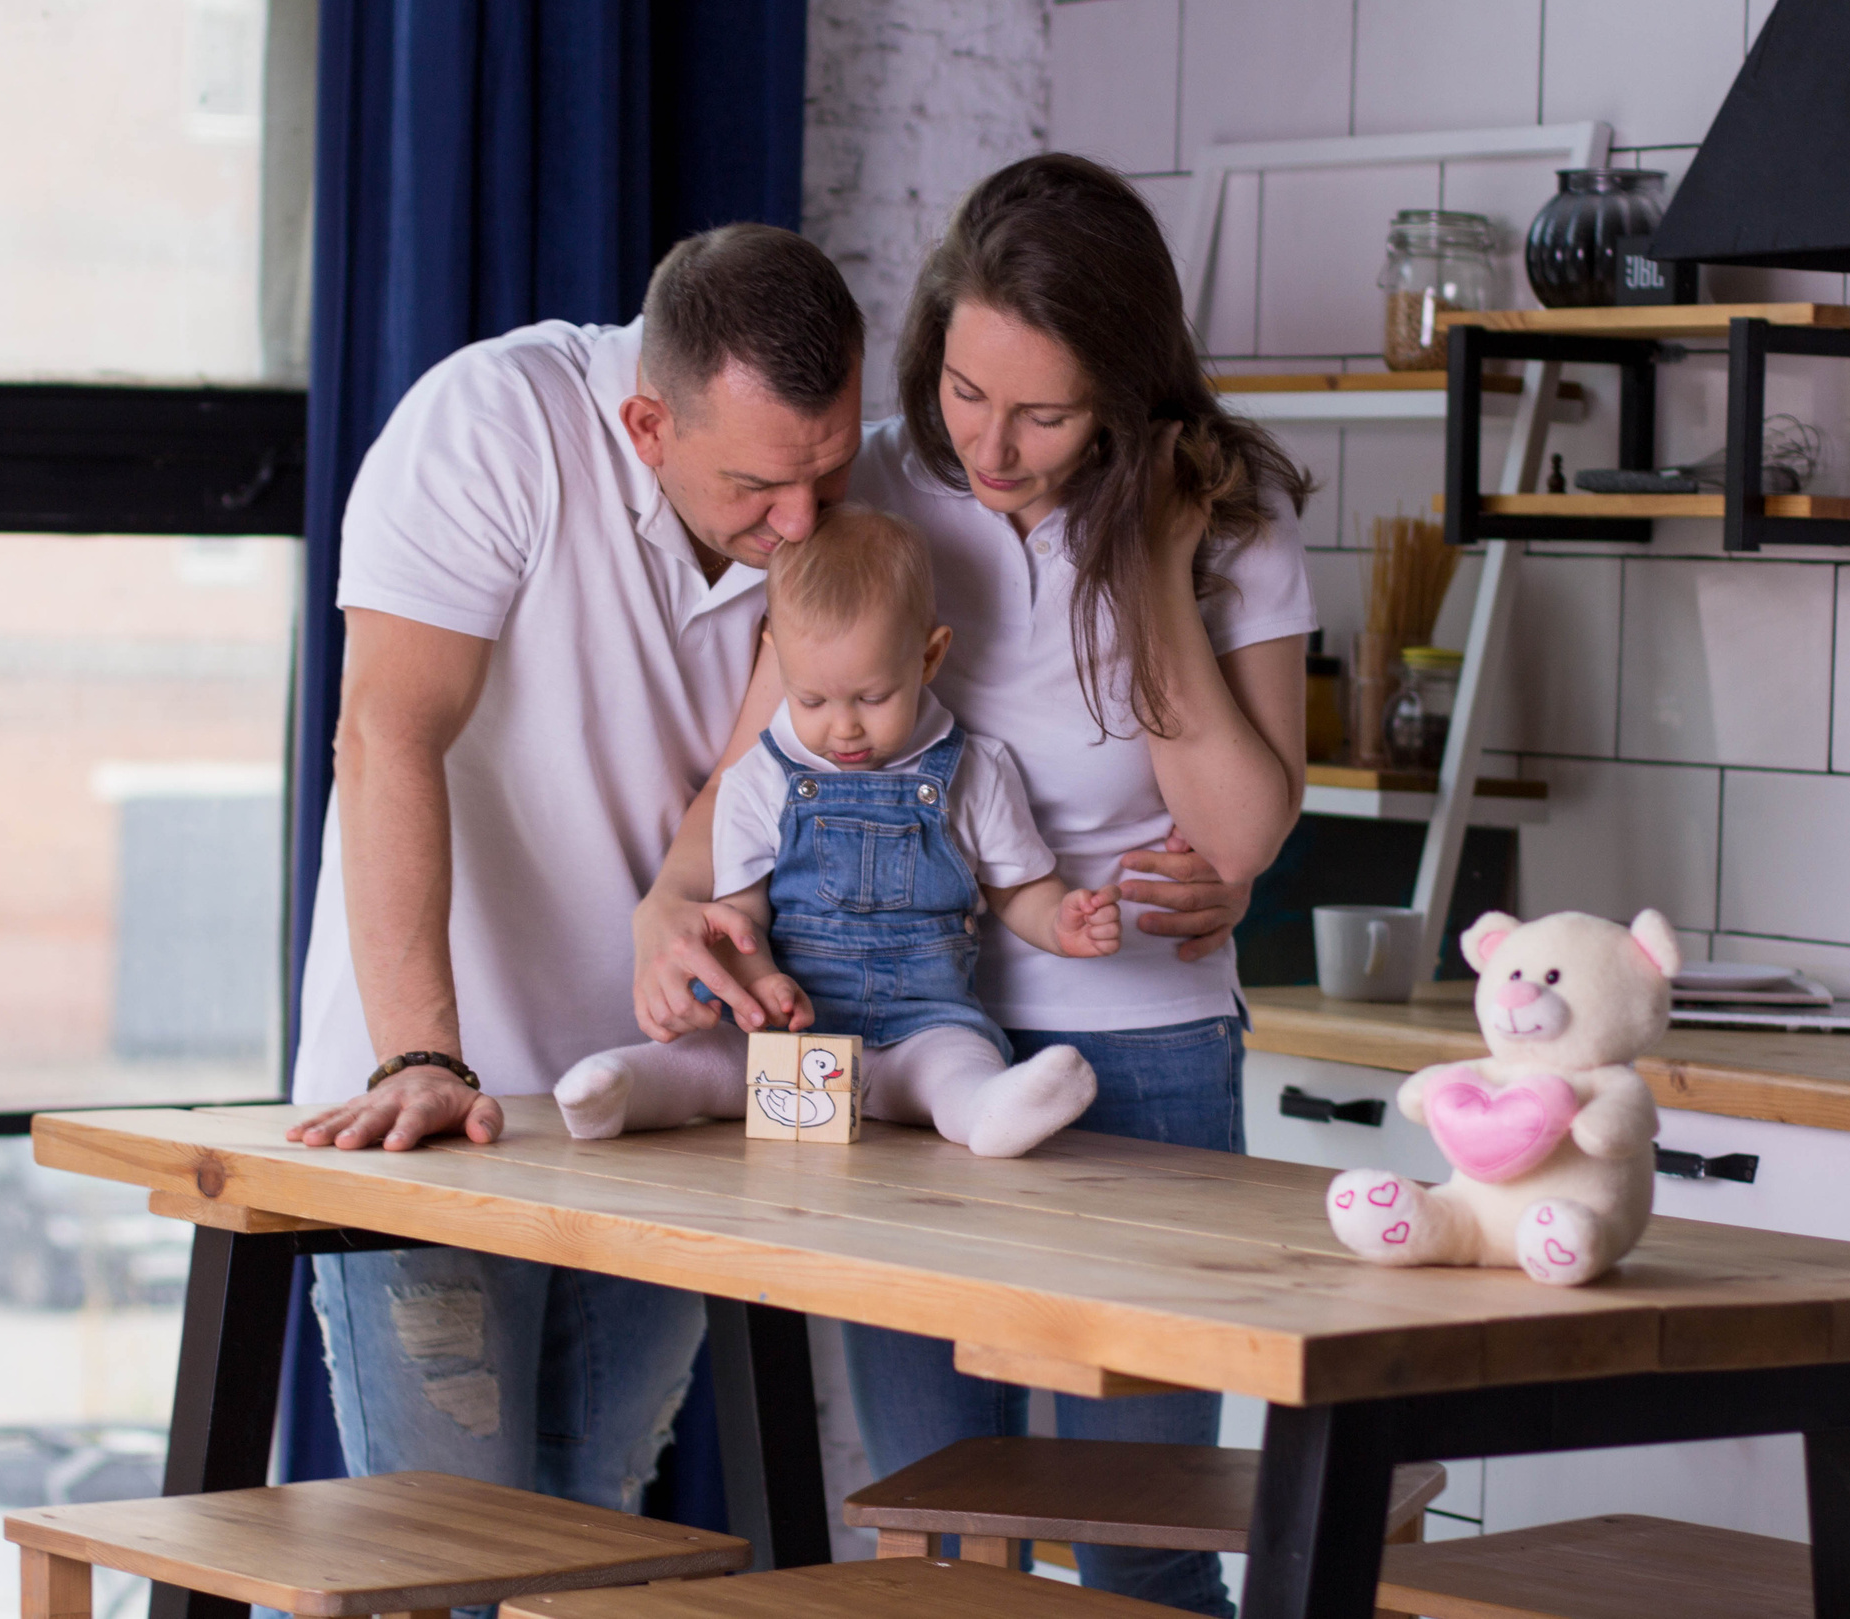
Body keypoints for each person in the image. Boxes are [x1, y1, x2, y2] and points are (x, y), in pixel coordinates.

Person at [635, 154, 1314, 1616]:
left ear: (1127, 393)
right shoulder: (873, 482)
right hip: (896, 1060)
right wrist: (677, 897)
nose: (991, 447)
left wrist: (1152, 565)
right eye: (963, 390)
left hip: (1143, 1053)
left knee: (1139, 1538)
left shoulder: (1228, 516)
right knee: (937, 1529)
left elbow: (1245, 827)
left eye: (1046, 411)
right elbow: (769, 747)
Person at [280, 224, 864, 1518]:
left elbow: (752, 775)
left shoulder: (808, 501)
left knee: (593, 1520)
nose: (804, 519)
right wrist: (419, 1055)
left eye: (830, 468)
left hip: (652, 1107)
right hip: (437, 1099)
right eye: (763, 487)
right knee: (439, 1541)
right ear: (648, 424)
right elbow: (385, 735)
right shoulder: (492, 427)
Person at [551, 504, 1114, 1157]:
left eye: (873, 698)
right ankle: (619, 1090)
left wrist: (1060, 921)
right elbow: (739, 913)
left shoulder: (974, 771)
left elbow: (1020, 889)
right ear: (776, 657)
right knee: (710, 1060)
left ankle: (988, 1111)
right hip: (790, 1039)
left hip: (922, 1028)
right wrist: (761, 978)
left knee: (958, 1063)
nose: (843, 728)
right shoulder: (759, 778)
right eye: (812, 700)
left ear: (929, 657)